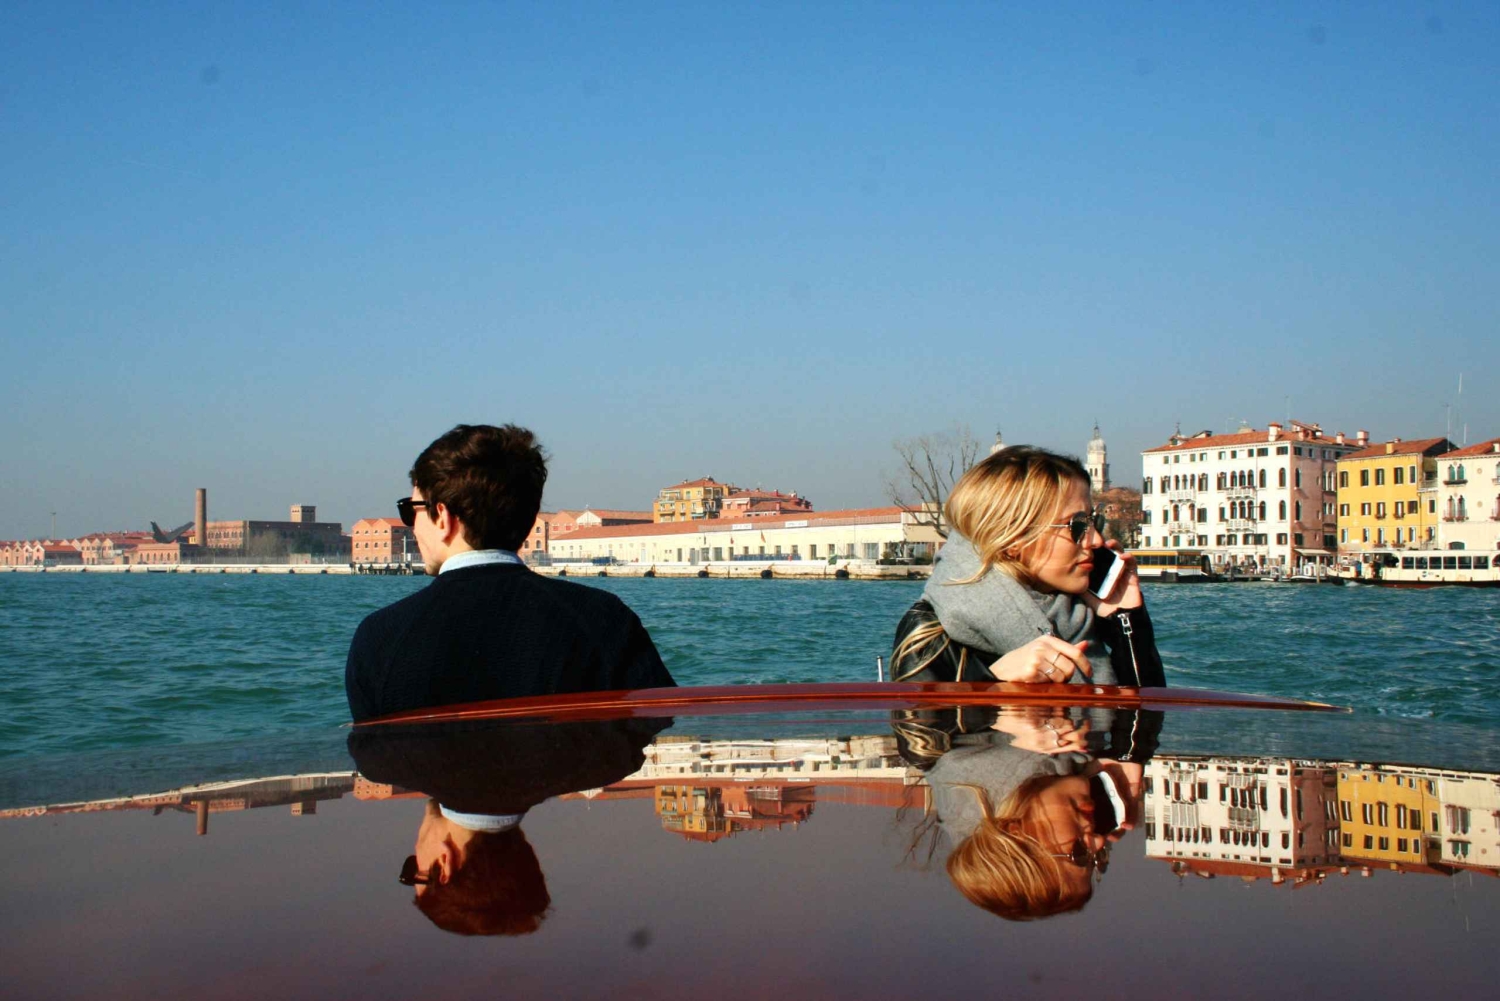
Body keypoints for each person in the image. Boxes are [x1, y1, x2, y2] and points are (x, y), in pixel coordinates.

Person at [345, 423, 675, 722]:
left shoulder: (379, 637)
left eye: (410, 510)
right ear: (529, 519)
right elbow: (659, 728)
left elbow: (377, 760)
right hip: (563, 784)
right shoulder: (606, 619)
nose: (411, 525)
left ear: (442, 517)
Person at [891, 446, 1164, 686]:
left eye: (1095, 522)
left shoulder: (1087, 615)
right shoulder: (929, 633)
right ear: (1013, 538)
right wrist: (994, 683)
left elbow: (1145, 728)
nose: (1096, 540)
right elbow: (921, 739)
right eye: (1078, 526)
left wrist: (1126, 620)